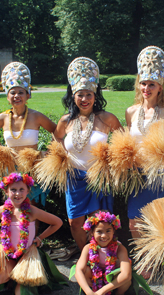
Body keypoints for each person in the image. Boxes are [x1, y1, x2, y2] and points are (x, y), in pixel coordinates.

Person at [54, 57, 122, 256]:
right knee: (75, 221)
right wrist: (62, 157)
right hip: (74, 178)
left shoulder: (106, 118)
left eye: (89, 95)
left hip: (97, 179)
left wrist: (109, 161)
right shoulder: (66, 120)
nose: (84, 99)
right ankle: (86, 254)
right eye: (80, 95)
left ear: (95, 95)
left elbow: (122, 142)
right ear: (73, 96)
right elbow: (57, 137)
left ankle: (100, 257)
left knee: (98, 221)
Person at [125, 46, 164, 248]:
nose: (146, 88)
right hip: (137, 174)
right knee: (134, 222)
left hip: (160, 175)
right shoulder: (131, 112)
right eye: (143, 83)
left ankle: (162, 258)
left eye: (151, 84)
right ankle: (145, 257)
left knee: (161, 220)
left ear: (160, 86)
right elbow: (129, 140)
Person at [0, 173, 65, 295]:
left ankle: (20, 278)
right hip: (8, 252)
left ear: (28, 191)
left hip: (27, 253)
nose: (18, 194)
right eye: (13, 190)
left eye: (22, 189)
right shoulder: (2, 210)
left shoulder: (32, 211)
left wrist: (39, 238)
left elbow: (57, 223)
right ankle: (12, 276)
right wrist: (2, 237)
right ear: (6, 191)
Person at [0, 62, 56, 206]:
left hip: (32, 167)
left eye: (21, 92)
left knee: (33, 204)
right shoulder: (2, 118)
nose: (16, 96)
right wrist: (0, 150)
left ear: (28, 95)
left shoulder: (36, 116)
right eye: (13, 92)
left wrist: (49, 152)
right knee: (13, 205)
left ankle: (33, 229)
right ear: (7, 96)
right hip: (11, 168)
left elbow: (56, 131)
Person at [75, 211, 132, 295]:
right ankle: (93, 292)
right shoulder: (88, 248)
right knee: (84, 271)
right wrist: (89, 292)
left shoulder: (120, 248)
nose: (104, 235)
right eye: (99, 232)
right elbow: (78, 270)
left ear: (114, 231)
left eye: (108, 230)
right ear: (92, 232)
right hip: (96, 278)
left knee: (125, 275)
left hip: (114, 280)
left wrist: (101, 291)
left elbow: (126, 274)